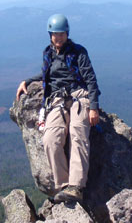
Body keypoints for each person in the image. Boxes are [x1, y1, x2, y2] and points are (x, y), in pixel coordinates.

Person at [16, 13, 100, 203]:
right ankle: (62, 186)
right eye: (55, 34)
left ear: (67, 33)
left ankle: (76, 187)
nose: (58, 37)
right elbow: (46, 75)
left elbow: (91, 80)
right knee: (50, 138)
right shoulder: (48, 54)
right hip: (57, 100)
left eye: (61, 33)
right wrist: (27, 82)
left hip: (79, 97)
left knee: (78, 133)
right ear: (50, 35)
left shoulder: (78, 52)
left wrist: (94, 107)